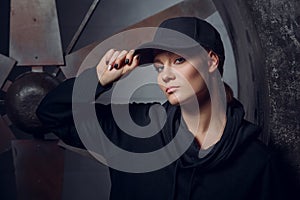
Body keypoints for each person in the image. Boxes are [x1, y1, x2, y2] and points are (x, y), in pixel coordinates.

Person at [36, 17, 285, 200]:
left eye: (178, 60)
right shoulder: (134, 129)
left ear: (211, 60)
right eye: (158, 66)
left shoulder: (257, 163)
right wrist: (97, 81)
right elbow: (50, 114)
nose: (165, 76)